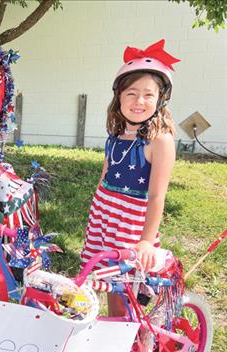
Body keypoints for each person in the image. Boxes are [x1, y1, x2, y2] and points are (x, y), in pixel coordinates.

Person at [80, 39, 180, 316]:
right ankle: (115, 325)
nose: (139, 101)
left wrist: (147, 241)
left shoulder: (160, 141)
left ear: (160, 98)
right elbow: (104, 176)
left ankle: (125, 330)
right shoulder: (115, 135)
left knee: (125, 285)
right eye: (131, 93)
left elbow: (158, 196)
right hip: (104, 215)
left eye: (148, 94)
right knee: (107, 280)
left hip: (130, 221)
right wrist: (96, 210)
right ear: (119, 97)